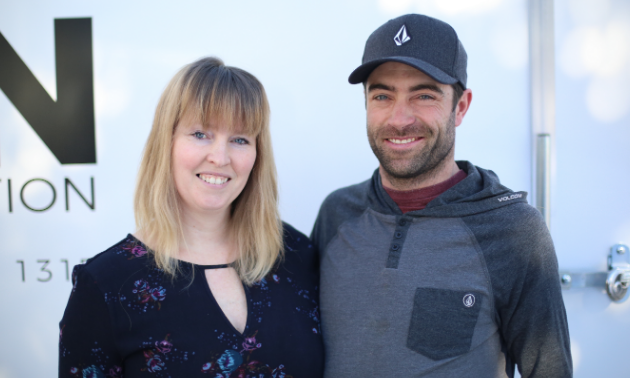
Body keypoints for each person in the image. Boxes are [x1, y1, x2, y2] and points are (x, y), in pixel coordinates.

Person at [311, 14, 572, 377]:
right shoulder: (337, 214)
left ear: (460, 106)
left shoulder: (513, 230)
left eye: (424, 95)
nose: (399, 119)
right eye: (382, 95)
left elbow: (549, 370)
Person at [59, 57, 324, 377]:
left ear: (257, 154)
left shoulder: (297, 255)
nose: (220, 157)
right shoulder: (106, 285)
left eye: (240, 139)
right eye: (200, 134)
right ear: (166, 142)